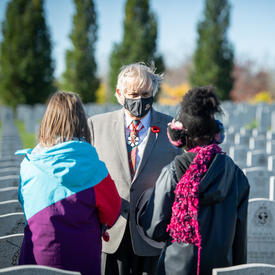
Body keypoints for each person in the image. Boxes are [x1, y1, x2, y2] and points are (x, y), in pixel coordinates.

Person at [138, 86, 250, 275]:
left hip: (177, 267)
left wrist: (143, 206)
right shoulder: (236, 174)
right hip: (222, 266)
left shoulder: (174, 171)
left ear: (180, 137)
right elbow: (240, 237)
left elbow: (154, 228)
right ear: (216, 134)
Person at [87, 62, 181, 275]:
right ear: (120, 94)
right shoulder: (95, 126)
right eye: (133, 93)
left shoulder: (171, 129)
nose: (139, 99)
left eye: (145, 93)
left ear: (153, 93)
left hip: (152, 236)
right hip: (109, 234)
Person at [15, 91, 121, 275]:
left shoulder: (28, 164)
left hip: (36, 259)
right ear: (81, 121)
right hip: (82, 261)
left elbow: (24, 203)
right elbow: (112, 213)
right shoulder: (94, 167)